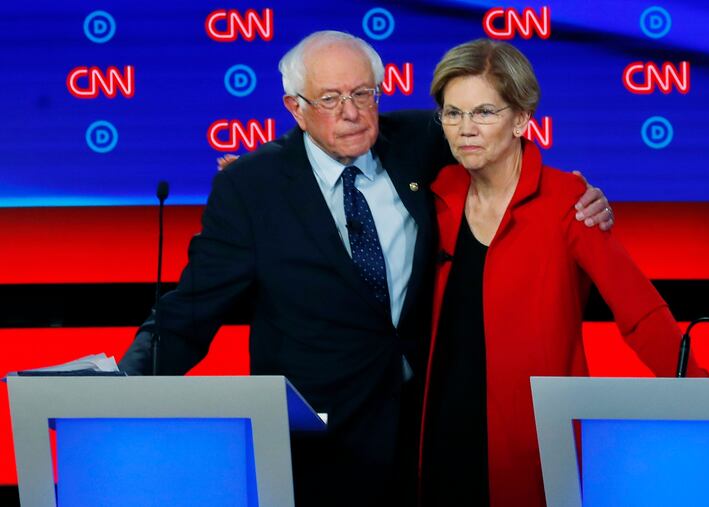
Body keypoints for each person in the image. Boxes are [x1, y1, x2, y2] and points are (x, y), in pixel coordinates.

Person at [119, 31, 613, 507]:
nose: (352, 113)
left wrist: (577, 193)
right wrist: (123, 383)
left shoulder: (422, 139)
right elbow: (192, 309)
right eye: (330, 99)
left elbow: (504, 155)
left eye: (362, 93)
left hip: (428, 431)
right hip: (319, 447)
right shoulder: (253, 187)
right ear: (295, 107)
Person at [418, 39, 709, 507]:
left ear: (522, 119)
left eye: (484, 112)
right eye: (453, 114)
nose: (465, 130)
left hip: (534, 440)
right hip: (439, 435)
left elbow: (640, 313)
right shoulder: (433, 194)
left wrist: (708, 399)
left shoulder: (567, 202)